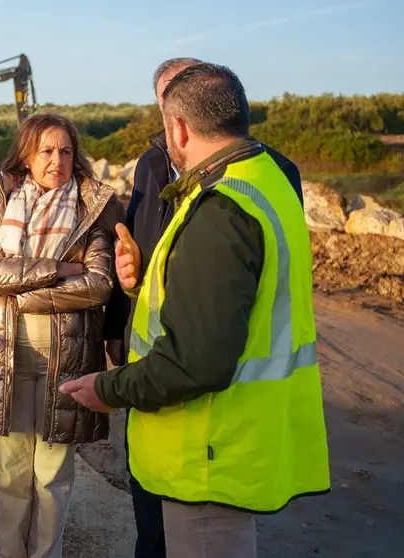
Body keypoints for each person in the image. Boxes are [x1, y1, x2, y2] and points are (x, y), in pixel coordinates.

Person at [63, 63, 330, 558]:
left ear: (179, 128)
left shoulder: (221, 207)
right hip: (233, 442)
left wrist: (107, 387)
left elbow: (196, 361)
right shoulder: (264, 177)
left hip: (207, 451)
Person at [0, 112, 121, 558]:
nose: (57, 161)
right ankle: (9, 553)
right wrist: (56, 269)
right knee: (12, 472)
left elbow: (98, 284)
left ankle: (45, 554)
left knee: (53, 475)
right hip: (7, 358)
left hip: (66, 359)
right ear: (27, 157)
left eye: (66, 151)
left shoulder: (91, 212)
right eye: (47, 151)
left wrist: (25, 293)